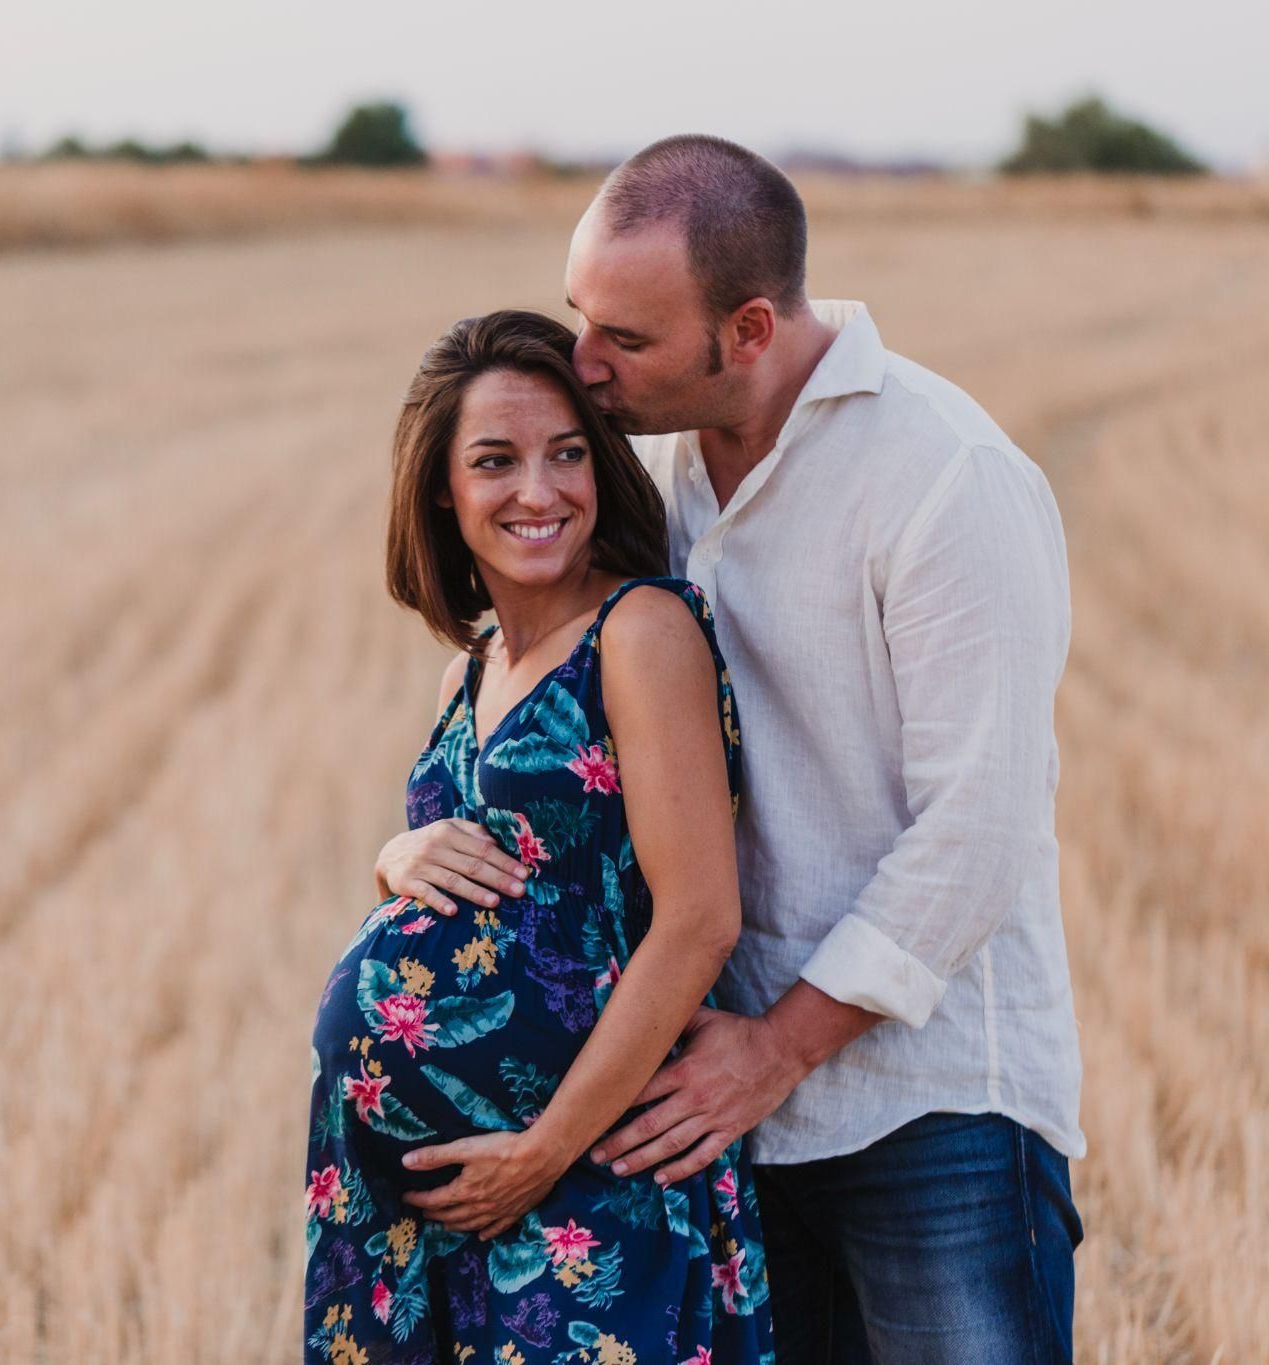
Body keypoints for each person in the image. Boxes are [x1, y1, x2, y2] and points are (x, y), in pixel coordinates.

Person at [376, 136, 1087, 1363]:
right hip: (708, 1114)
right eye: (578, 319)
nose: (584, 368)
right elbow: (564, 737)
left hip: (930, 1115)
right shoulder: (645, 465)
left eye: (627, 341)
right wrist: (408, 849)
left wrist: (777, 1048)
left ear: (747, 329)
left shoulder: (940, 477)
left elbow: (978, 832)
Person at [305, 309, 775, 1365]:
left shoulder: (639, 631)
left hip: (589, 1185)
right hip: (429, 1212)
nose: (540, 490)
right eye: (496, 461)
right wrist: (394, 857)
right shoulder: (465, 672)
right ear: (440, 487)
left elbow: (697, 920)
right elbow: (467, 890)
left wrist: (542, 1153)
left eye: (568, 454)